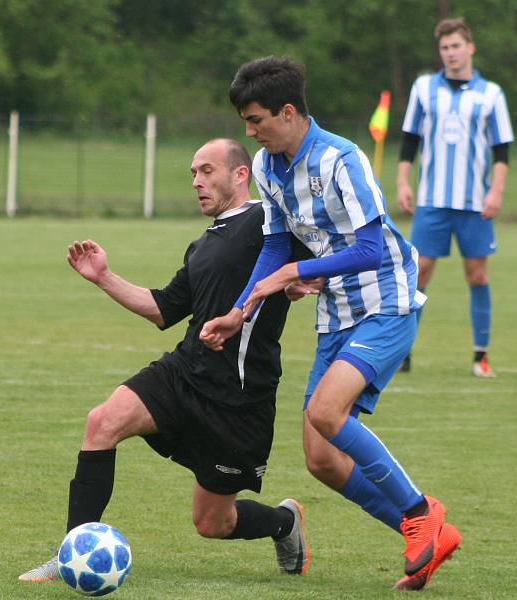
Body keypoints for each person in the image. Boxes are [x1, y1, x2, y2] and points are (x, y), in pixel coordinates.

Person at [199, 56, 461, 591]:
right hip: (337, 312)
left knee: (326, 410)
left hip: (387, 300)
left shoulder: (343, 161)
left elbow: (368, 248)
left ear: (288, 111)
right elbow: (274, 246)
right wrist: (239, 311)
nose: (249, 131)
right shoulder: (269, 166)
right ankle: (430, 535)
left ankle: (420, 512)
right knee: (321, 458)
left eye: (256, 120)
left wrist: (299, 269)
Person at [18, 138, 311, 583]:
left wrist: (310, 282)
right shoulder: (203, 245)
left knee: (213, 523)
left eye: (207, 170)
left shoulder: (267, 223)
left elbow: (320, 257)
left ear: (240, 174)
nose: (196, 181)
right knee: (102, 422)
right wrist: (103, 278)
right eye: (193, 173)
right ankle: (71, 553)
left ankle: (284, 523)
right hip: (184, 373)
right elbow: (163, 309)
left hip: (239, 398)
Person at [397, 17, 513, 377]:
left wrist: (496, 190)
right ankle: (402, 352)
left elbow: (502, 150)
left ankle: (481, 356)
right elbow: (409, 141)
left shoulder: (490, 94)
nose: (450, 53)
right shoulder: (423, 88)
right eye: (445, 47)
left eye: (456, 46)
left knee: (477, 275)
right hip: (432, 200)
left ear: (470, 48)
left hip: (475, 203)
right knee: (419, 274)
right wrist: (403, 181)